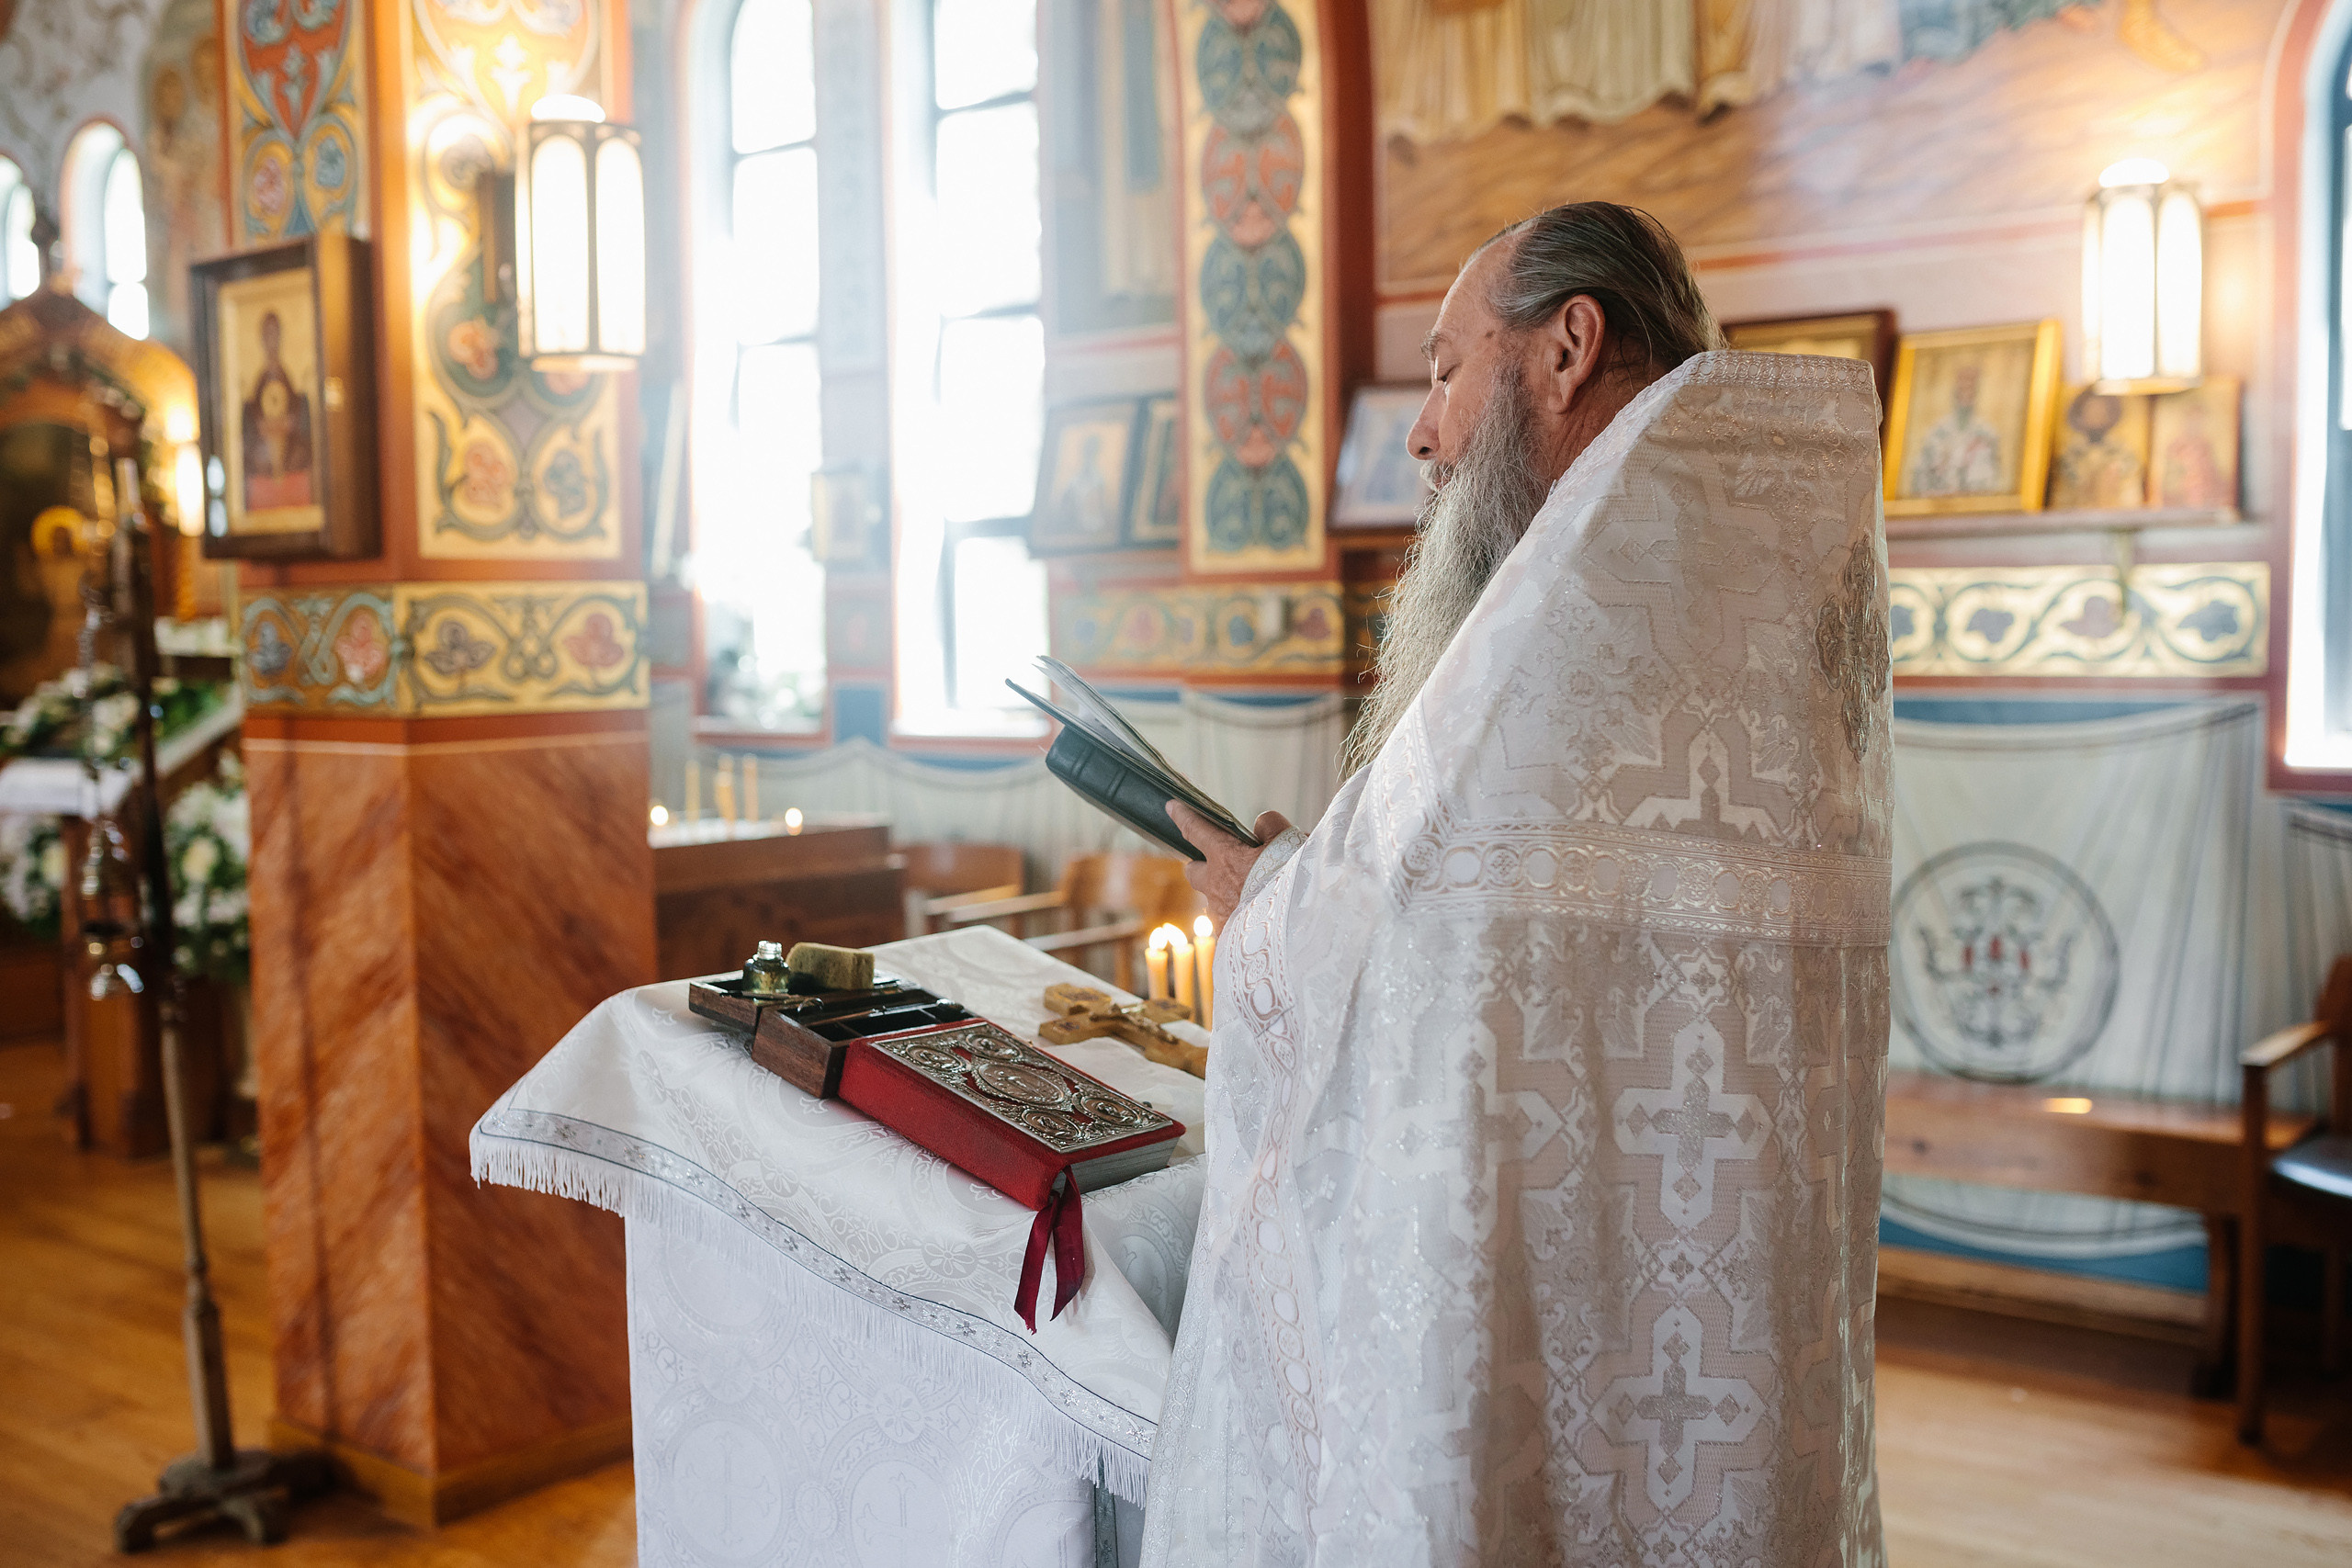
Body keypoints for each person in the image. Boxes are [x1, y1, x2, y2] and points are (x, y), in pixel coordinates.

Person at [1149, 201, 1892, 1566]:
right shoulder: (1757, 571)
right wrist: (1318, 878)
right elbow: (1490, 930)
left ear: (1568, 347)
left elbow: (1415, 950)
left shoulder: (1579, 605)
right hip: (1722, 1306)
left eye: (1445, 369)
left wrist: (1267, 904)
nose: (1424, 432)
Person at [1907, 359, 2002, 496]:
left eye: (1970, 387)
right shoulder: (1937, 433)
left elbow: (1993, 482)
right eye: (1962, 387)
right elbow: (1920, 476)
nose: (1966, 393)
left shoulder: (1987, 434)